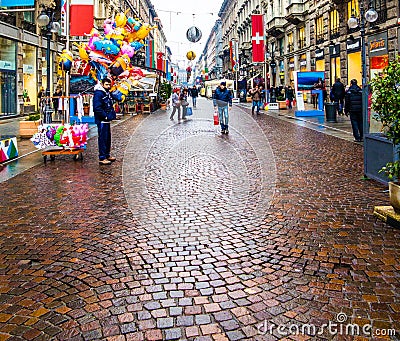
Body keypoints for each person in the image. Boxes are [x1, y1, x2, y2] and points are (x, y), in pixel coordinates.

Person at [93, 77, 117, 165]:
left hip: (107, 120)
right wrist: (105, 116)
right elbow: (97, 108)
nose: (108, 86)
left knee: (107, 138)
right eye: (106, 84)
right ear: (102, 84)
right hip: (102, 120)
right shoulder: (99, 94)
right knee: (103, 138)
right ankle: (102, 157)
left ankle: (107, 155)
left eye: (109, 84)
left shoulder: (107, 93)